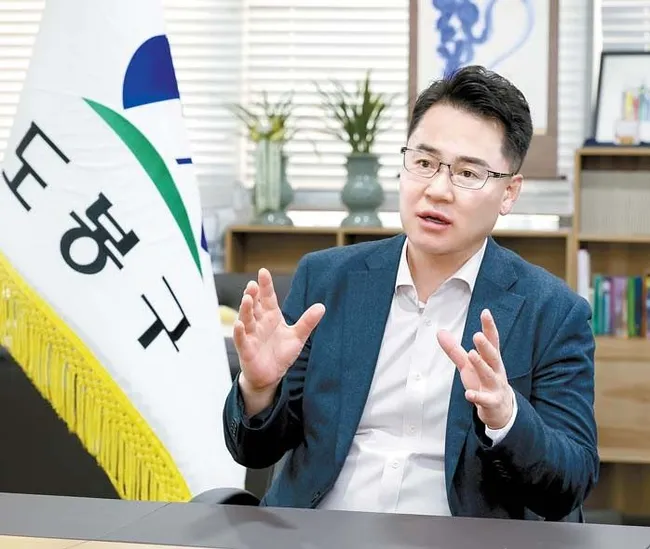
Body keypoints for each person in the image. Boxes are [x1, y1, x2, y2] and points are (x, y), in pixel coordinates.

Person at [223, 65, 598, 521]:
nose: (437, 190)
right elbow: (255, 451)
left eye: (468, 173)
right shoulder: (326, 280)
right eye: (424, 163)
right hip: (319, 534)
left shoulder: (553, 313)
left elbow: (570, 484)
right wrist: (259, 389)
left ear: (509, 193)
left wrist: (507, 418)